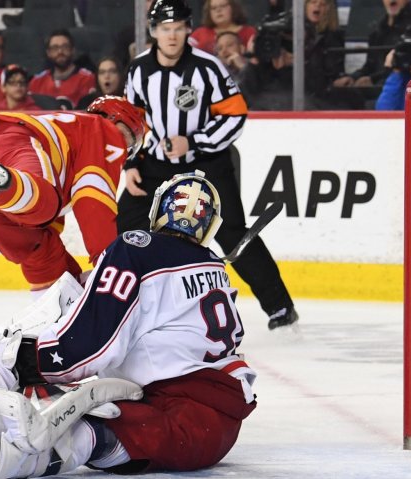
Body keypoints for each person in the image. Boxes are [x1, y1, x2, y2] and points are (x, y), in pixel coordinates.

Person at [0, 172, 257, 479]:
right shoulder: (215, 268)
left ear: (159, 210)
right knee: (94, 434)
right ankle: (15, 444)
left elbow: (85, 350)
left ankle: (4, 436)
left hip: (170, 411)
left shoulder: (136, 248)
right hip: (210, 434)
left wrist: (16, 359)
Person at [121, 0, 298, 329]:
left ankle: (279, 307)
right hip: (155, 165)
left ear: (188, 29)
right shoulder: (139, 69)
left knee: (231, 232)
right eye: (165, 29)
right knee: (127, 227)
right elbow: (131, 120)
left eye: (178, 28)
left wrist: (195, 141)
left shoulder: (208, 67)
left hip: (207, 162)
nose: (172, 35)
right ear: (153, 32)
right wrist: (130, 163)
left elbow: (235, 116)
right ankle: (125, 306)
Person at [0, 96, 147, 294]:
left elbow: (55, 214)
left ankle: (53, 311)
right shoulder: (101, 130)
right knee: (45, 207)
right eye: (128, 136)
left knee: (39, 248)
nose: (125, 147)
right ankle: (2, 183)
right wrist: (110, 264)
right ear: (112, 119)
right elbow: (94, 201)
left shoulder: (72, 136)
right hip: (18, 148)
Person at [334, 0, 411, 89]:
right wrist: (352, 77)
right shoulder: (378, 31)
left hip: (399, 87)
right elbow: (370, 65)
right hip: (376, 87)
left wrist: (372, 79)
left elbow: (404, 68)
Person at [28, 29, 96, 110]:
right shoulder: (37, 81)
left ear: (72, 50)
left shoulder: (87, 79)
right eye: (55, 48)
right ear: (48, 53)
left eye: (65, 46)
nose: (60, 51)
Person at [190, 0, 257, 55]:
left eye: (223, 6)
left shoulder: (249, 32)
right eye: (213, 8)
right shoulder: (199, 33)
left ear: (233, 8)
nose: (218, 10)